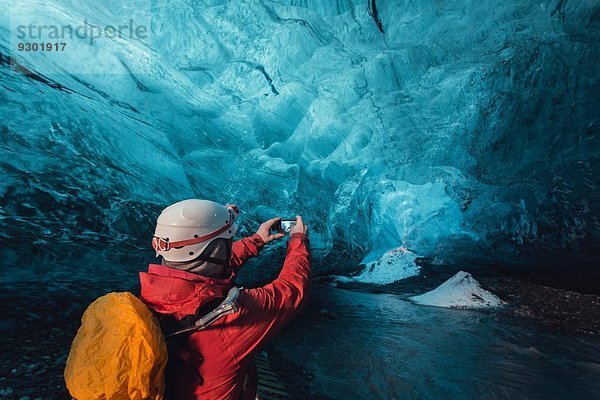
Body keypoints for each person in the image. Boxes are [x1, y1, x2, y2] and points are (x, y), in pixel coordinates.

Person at [139, 199, 311, 400]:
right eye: (228, 241)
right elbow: (291, 290)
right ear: (215, 250)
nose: (231, 244)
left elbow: (202, 268)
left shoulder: (142, 294)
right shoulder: (231, 317)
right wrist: (298, 239)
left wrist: (255, 241)